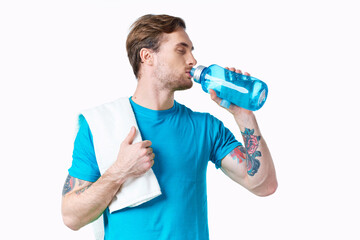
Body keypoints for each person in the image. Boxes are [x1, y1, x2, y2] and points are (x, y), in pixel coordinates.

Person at [61, 14, 277, 240]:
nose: (193, 60)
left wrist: (244, 115)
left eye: (192, 50)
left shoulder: (205, 127)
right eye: (181, 50)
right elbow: (72, 218)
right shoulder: (99, 124)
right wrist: (119, 171)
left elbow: (264, 186)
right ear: (147, 56)